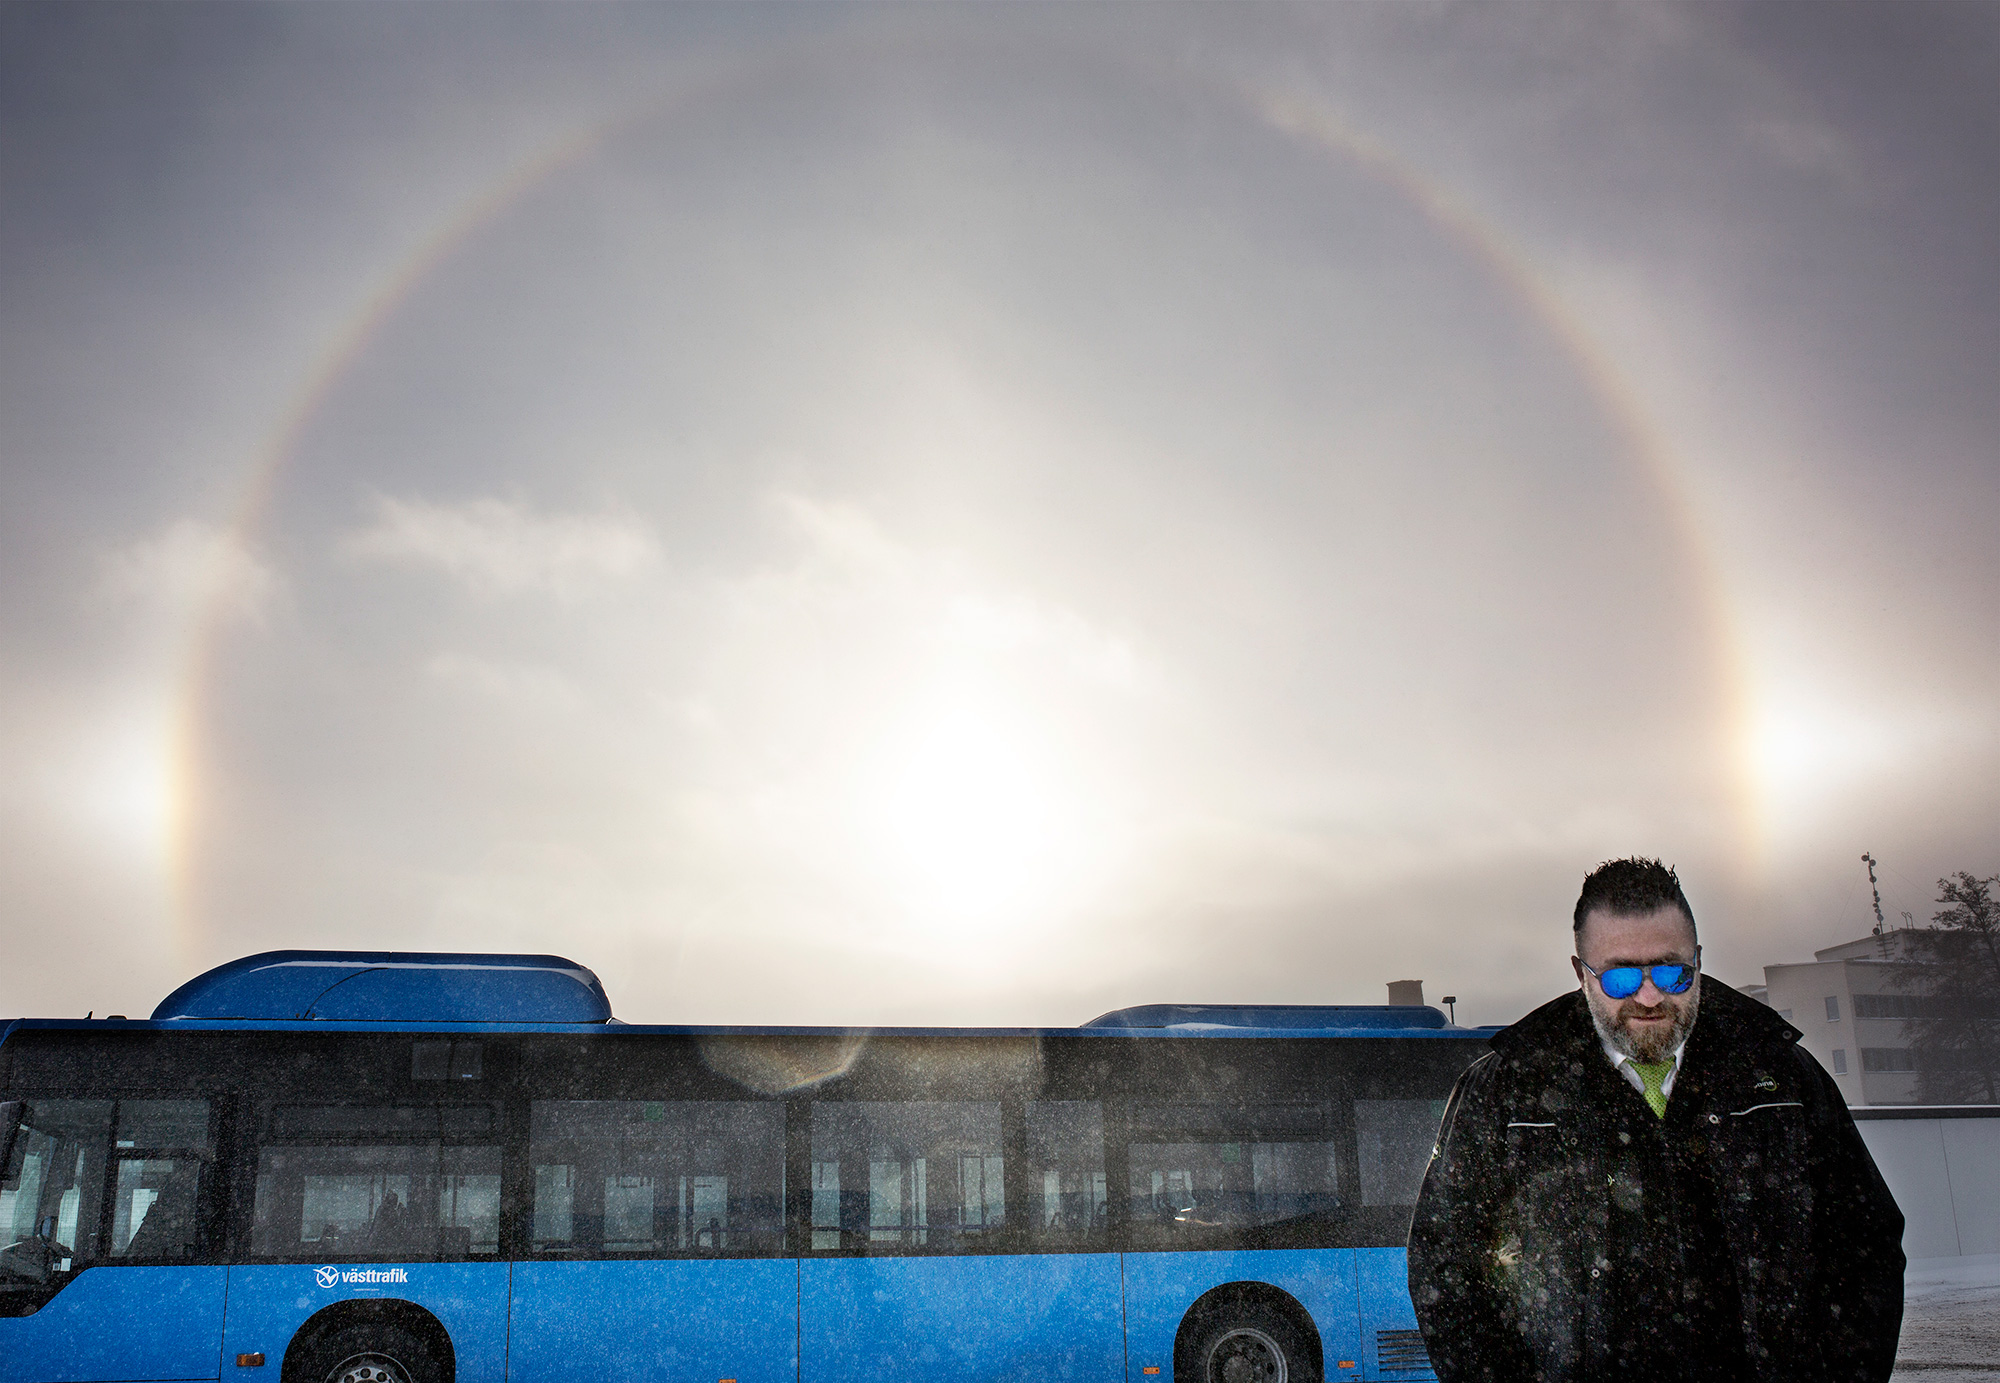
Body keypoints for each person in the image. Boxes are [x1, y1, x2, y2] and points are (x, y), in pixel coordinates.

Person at [1409, 857, 1905, 1383]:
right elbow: (1446, 1264)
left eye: (1672, 971)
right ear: (1582, 973)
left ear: (1698, 960)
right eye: (1621, 978)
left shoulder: (1782, 1079)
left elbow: (1864, 1246)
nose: (1650, 997)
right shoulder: (1506, 1091)